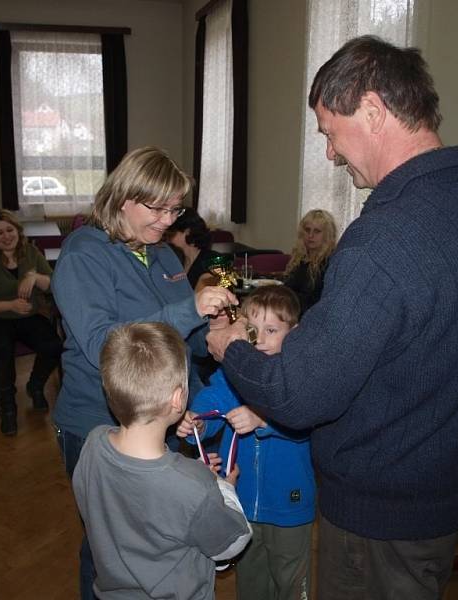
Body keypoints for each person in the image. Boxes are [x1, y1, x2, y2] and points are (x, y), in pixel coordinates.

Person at [206, 35, 458, 600]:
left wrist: (231, 345)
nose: (330, 154)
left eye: (330, 133)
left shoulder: (385, 237)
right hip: (451, 491)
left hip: (382, 515)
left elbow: (299, 396)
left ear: (374, 110)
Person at [51, 146, 236, 599]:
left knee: (157, 538)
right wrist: (188, 307)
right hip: (97, 420)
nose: (168, 220)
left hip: (160, 416)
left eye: (176, 209)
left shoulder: (164, 256)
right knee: (108, 548)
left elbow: (179, 341)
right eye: (157, 207)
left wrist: (214, 331)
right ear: (122, 197)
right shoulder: (84, 254)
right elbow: (105, 348)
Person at [73, 321, 252, 599]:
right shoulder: (194, 486)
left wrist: (194, 486)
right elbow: (233, 543)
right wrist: (223, 488)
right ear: (178, 399)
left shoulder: (93, 444)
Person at [178, 285, 315, 600]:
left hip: (290, 507)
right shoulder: (235, 373)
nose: (262, 340)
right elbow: (213, 401)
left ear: (294, 333)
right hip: (241, 503)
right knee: (251, 583)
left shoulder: (301, 379)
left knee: (291, 585)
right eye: (253, 331)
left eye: (272, 330)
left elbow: (306, 426)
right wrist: (197, 419)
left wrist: (263, 421)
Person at [0, 209, 62, 436]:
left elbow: (53, 284)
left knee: (53, 345)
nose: (6, 236)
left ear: (18, 231)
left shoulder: (30, 252)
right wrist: (10, 305)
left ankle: (35, 385)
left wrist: (35, 277)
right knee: (1, 349)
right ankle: (8, 409)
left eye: (10, 230)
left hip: (28, 316)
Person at [283, 209, 337, 315]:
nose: (310, 236)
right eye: (307, 230)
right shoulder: (300, 258)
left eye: (317, 231)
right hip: (291, 313)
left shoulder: (331, 263)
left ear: (327, 235)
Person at [166, 206, 221, 289]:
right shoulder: (176, 259)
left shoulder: (213, 261)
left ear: (187, 232)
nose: (167, 239)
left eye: (171, 234)